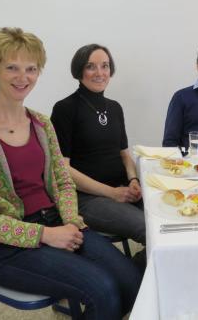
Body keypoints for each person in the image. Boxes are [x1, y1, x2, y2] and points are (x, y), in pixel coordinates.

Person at [0, 28, 140, 319]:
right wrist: (45, 235)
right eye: (11, 67)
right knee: (104, 291)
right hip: (4, 247)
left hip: (55, 222)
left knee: (132, 282)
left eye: (31, 69)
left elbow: (63, 183)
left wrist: (70, 222)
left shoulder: (40, 123)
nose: (22, 77)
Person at [51, 44, 146, 248]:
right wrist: (111, 193)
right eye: (91, 66)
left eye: (105, 66)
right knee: (146, 226)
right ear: (79, 70)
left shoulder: (114, 108)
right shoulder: (65, 109)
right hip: (86, 198)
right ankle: (141, 276)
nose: (100, 73)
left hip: (121, 187)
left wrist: (133, 180)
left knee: (165, 217)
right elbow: (63, 168)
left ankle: (150, 269)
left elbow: (124, 154)